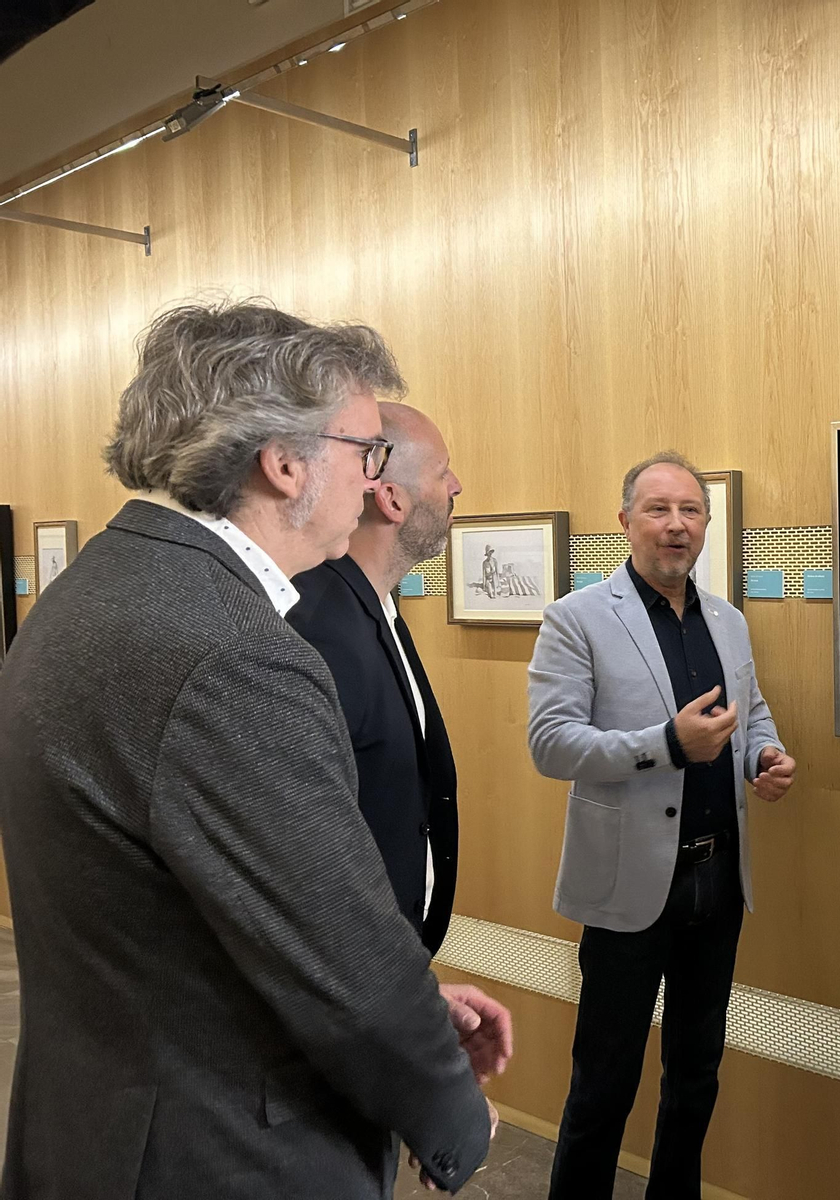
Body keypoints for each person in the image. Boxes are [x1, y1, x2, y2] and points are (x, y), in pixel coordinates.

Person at [0, 301, 494, 1199]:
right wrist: (453, 1110)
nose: (371, 479)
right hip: (223, 1151)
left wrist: (411, 1006)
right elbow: (338, 956)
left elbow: (208, 918)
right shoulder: (233, 651)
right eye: (364, 451)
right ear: (284, 463)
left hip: (102, 1127)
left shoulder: (97, 590)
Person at [528, 450, 798, 1199]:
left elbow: (751, 709)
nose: (676, 526)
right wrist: (667, 745)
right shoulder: (576, 618)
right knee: (604, 1084)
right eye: (658, 509)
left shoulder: (728, 620)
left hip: (717, 880)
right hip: (627, 888)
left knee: (696, 1075)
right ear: (625, 522)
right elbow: (551, 744)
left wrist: (763, 755)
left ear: (706, 524)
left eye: (690, 511)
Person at [287, 402, 513, 1088]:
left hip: (380, 987)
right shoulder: (319, 625)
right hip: (339, 1013)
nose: (457, 487)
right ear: (388, 496)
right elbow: (314, 856)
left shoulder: (375, 608)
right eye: (443, 472)